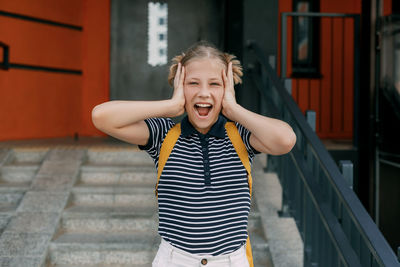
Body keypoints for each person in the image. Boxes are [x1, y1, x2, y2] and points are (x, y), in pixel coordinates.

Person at [91, 41, 296, 267]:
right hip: (175, 260)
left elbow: (285, 140)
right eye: (193, 83)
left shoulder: (241, 136)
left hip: (231, 261)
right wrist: (169, 106)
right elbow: (101, 117)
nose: (204, 93)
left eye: (215, 84)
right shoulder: (164, 135)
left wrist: (234, 109)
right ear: (180, 85)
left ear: (228, 88)